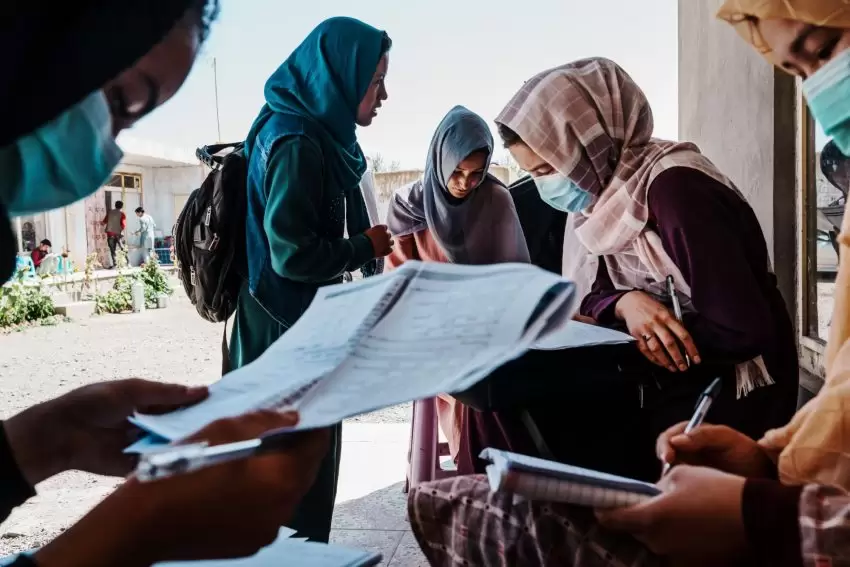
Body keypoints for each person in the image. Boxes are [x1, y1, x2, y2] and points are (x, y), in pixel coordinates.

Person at [408, 3, 850, 566]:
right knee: (504, 418)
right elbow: (592, 293)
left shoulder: (673, 191)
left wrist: (636, 335)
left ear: (584, 143)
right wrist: (626, 303)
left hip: (731, 387)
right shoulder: (601, 204)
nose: (546, 187)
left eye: (546, 169)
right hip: (676, 372)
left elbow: (743, 328)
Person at [0, 1, 332, 565]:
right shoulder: (292, 142)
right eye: (118, 102)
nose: (106, 153)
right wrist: (132, 533)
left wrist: (48, 437)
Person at [228, 16, 394, 542]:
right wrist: (364, 247)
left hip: (291, 324)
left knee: (300, 471)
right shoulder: (297, 141)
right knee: (292, 481)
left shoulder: (314, 131)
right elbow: (291, 254)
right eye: (375, 81)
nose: (384, 95)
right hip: (283, 334)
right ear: (340, 76)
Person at [385, 105, 529, 467]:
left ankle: (506, 470)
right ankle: (477, 469)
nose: (465, 183)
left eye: (477, 174)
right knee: (474, 375)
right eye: (457, 172)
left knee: (514, 369)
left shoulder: (496, 200)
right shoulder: (408, 206)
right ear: (440, 162)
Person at [102, 200, 126, 268]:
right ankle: (128, 263)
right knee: (122, 248)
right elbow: (123, 225)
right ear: (122, 206)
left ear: (115, 205)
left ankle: (115, 264)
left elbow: (103, 222)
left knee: (112, 250)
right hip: (118, 234)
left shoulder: (110, 213)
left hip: (110, 234)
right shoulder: (122, 214)